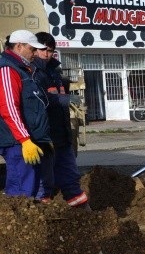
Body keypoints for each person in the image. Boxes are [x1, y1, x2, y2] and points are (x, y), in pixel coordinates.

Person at [32, 32, 89, 210]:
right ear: (34, 49)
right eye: (44, 50)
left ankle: (82, 211)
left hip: (61, 133)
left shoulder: (55, 72)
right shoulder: (32, 73)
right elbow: (37, 100)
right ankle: (43, 215)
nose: (47, 54)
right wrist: (62, 100)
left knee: (70, 174)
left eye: (51, 50)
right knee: (44, 179)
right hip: (45, 134)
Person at [0, 30, 51, 197]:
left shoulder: (24, 70)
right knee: (21, 192)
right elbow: (8, 107)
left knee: (31, 189)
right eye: (32, 49)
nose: (35, 53)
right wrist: (25, 140)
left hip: (27, 140)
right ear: (19, 46)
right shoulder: (8, 69)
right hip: (17, 143)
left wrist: (42, 137)